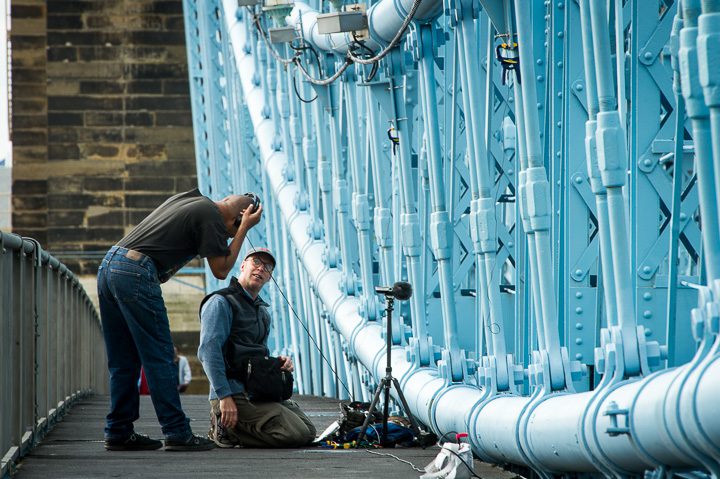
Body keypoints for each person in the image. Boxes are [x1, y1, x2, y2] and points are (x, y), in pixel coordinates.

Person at [97, 189, 263, 452]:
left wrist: (238, 225)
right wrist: (244, 228)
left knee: (123, 361)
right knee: (160, 356)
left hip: (109, 265)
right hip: (136, 273)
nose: (229, 237)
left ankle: (118, 430)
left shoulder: (191, 198)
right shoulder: (211, 217)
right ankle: (176, 432)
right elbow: (221, 270)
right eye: (231, 231)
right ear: (238, 217)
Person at [198, 247, 316, 448]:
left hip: (256, 390)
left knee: (308, 431)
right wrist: (224, 396)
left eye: (267, 267)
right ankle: (225, 429)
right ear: (242, 266)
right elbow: (209, 352)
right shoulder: (220, 302)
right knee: (294, 434)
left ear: (270, 277)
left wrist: (278, 363)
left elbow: (255, 356)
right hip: (232, 392)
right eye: (256, 262)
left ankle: (239, 430)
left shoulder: (262, 313)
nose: (261, 269)